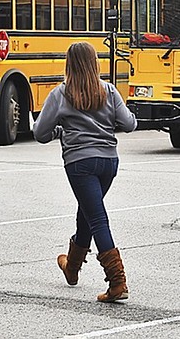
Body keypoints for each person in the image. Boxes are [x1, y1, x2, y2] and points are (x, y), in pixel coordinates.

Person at [33, 41, 137, 303]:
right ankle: (72, 268)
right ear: (94, 63)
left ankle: (117, 282)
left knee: (97, 218)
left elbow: (40, 133)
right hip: (109, 163)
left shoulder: (61, 94)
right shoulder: (109, 91)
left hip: (80, 163)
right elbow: (128, 124)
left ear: (69, 64)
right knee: (88, 213)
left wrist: (61, 131)